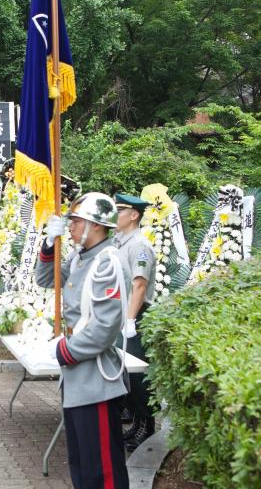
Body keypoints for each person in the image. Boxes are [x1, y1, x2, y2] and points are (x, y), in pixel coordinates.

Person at [36, 192, 130, 489]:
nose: (71, 226)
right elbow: (46, 279)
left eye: (77, 221)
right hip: (78, 378)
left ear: (97, 226)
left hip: (96, 381)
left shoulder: (107, 264)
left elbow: (103, 330)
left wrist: (63, 349)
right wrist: (49, 245)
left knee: (102, 470)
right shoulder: (80, 258)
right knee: (80, 464)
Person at [113, 193, 157, 451]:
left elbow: (139, 285)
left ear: (134, 215)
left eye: (120, 211)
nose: (115, 216)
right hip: (123, 315)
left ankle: (147, 427)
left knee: (139, 375)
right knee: (127, 374)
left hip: (135, 315)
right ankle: (137, 424)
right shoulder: (121, 243)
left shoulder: (139, 245)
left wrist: (130, 320)